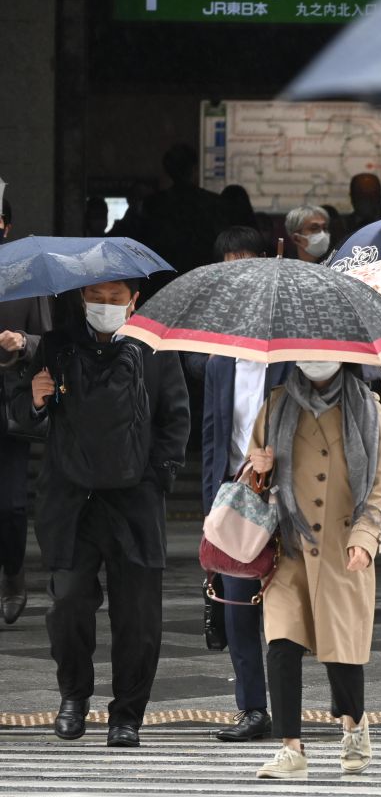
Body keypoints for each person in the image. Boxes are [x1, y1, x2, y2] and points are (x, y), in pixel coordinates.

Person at [11, 279, 189, 748]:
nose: (104, 306)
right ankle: (73, 696)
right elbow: (19, 414)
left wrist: (156, 478)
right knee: (67, 604)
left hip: (134, 502)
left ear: (134, 301)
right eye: (96, 297)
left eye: (115, 299)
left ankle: (126, 715)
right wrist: (34, 397)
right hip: (73, 501)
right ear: (81, 298)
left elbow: (176, 419)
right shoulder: (57, 345)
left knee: (138, 617)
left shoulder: (156, 348)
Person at [246, 362, 381, 779]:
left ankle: (354, 725)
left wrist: (365, 537)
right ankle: (291, 748)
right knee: (282, 644)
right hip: (288, 542)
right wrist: (259, 469)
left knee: (340, 650)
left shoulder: (367, 406)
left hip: (342, 546)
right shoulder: (276, 404)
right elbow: (252, 475)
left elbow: (379, 485)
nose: (314, 358)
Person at [200, 345, 293, 742]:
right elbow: (212, 438)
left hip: (289, 496)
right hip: (238, 495)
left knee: (287, 609)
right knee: (238, 606)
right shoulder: (219, 364)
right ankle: (252, 708)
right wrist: (211, 509)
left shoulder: (295, 360)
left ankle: (289, 707)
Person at [0, 197, 52, 625]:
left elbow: (46, 339)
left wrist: (21, 340)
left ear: (6, 226)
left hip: (10, 403)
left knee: (13, 506)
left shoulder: (26, 276)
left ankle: (13, 572)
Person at [137, 143, 229, 289]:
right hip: (203, 279)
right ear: (194, 169)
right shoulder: (213, 203)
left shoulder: (154, 204)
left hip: (163, 282)